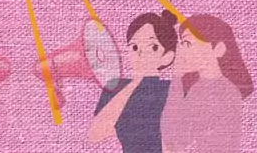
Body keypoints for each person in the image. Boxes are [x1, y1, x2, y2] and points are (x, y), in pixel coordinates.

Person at [161, 13, 253, 153]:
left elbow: (178, 140)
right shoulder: (197, 87)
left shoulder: (225, 92)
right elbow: (172, 135)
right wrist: (177, 78)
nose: (183, 51)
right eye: (183, 44)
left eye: (189, 43)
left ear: (218, 49)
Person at [88, 9, 178, 153]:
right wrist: (134, 83)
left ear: (167, 57)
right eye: (134, 47)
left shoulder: (171, 89)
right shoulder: (115, 86)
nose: (141, 52)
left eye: (153, 47)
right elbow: (96, 134)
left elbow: (174, 141)